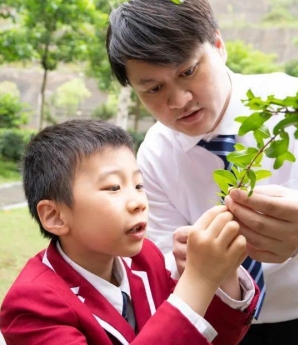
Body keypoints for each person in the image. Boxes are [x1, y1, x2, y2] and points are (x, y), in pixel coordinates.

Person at [106, 0, 298, 345]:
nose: (178, 100)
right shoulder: (153, 156)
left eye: (188, 72)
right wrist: (183, 263)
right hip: (222, 329)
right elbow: (163, 265)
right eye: (152, 89)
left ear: (218, 45)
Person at [0, 119, 260, 345]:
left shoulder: (145, 259)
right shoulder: (32, 306)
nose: (139, 202)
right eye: (114, 187)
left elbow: (216, 337)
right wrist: (199, 279)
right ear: (55, 216)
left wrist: (222, 274)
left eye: (138, 184)